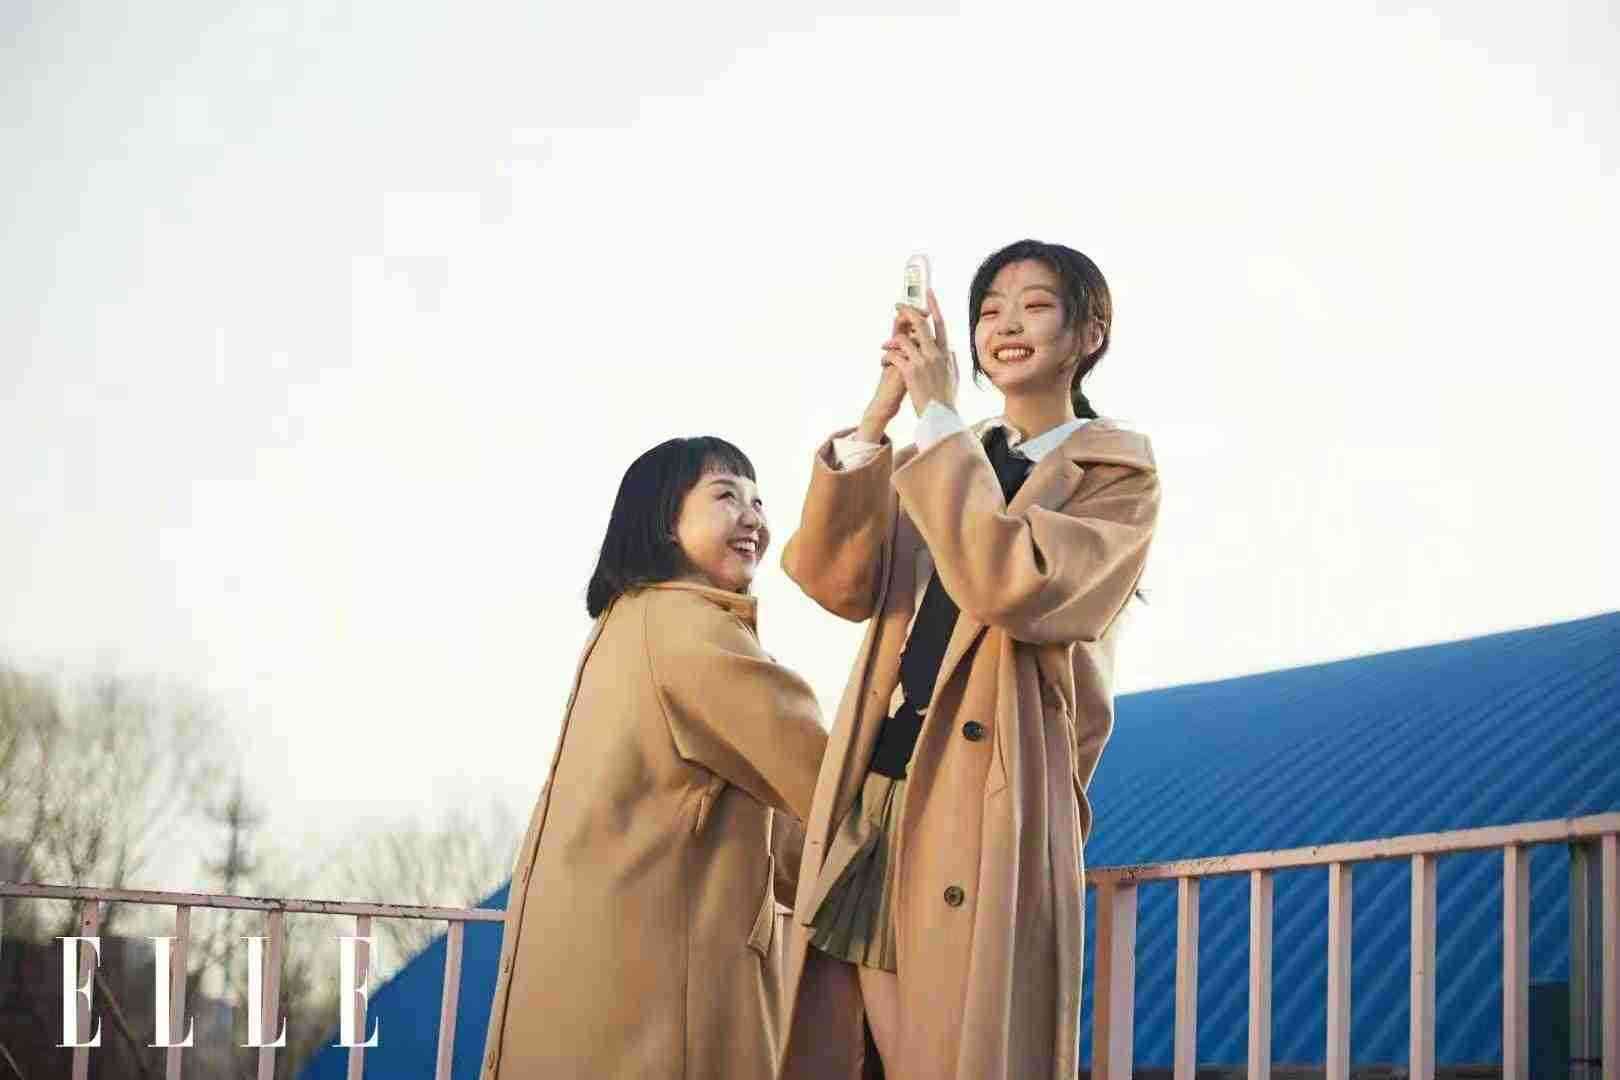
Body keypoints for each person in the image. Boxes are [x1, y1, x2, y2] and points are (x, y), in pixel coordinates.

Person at [776, 240, 1161, 1079]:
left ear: (1090, 332)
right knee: (851, 1044)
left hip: (989, 795)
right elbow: (835, 580)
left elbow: (1011, 583)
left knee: (954, 1047)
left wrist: (939, 419)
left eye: (1035, 305)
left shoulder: (1116, 473)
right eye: (989, 311)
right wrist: (880, 418)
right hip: (880, 782)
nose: (1006, 325)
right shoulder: (945, 452)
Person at [481, 436, 828, 1079]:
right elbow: (828, 782)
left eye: (758, 501)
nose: (753, 518)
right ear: (667, 521)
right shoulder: (689, 627)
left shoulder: (629, 621)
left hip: (591, 985)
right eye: (726, 497)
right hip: (660, 1008)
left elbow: (773, 823)